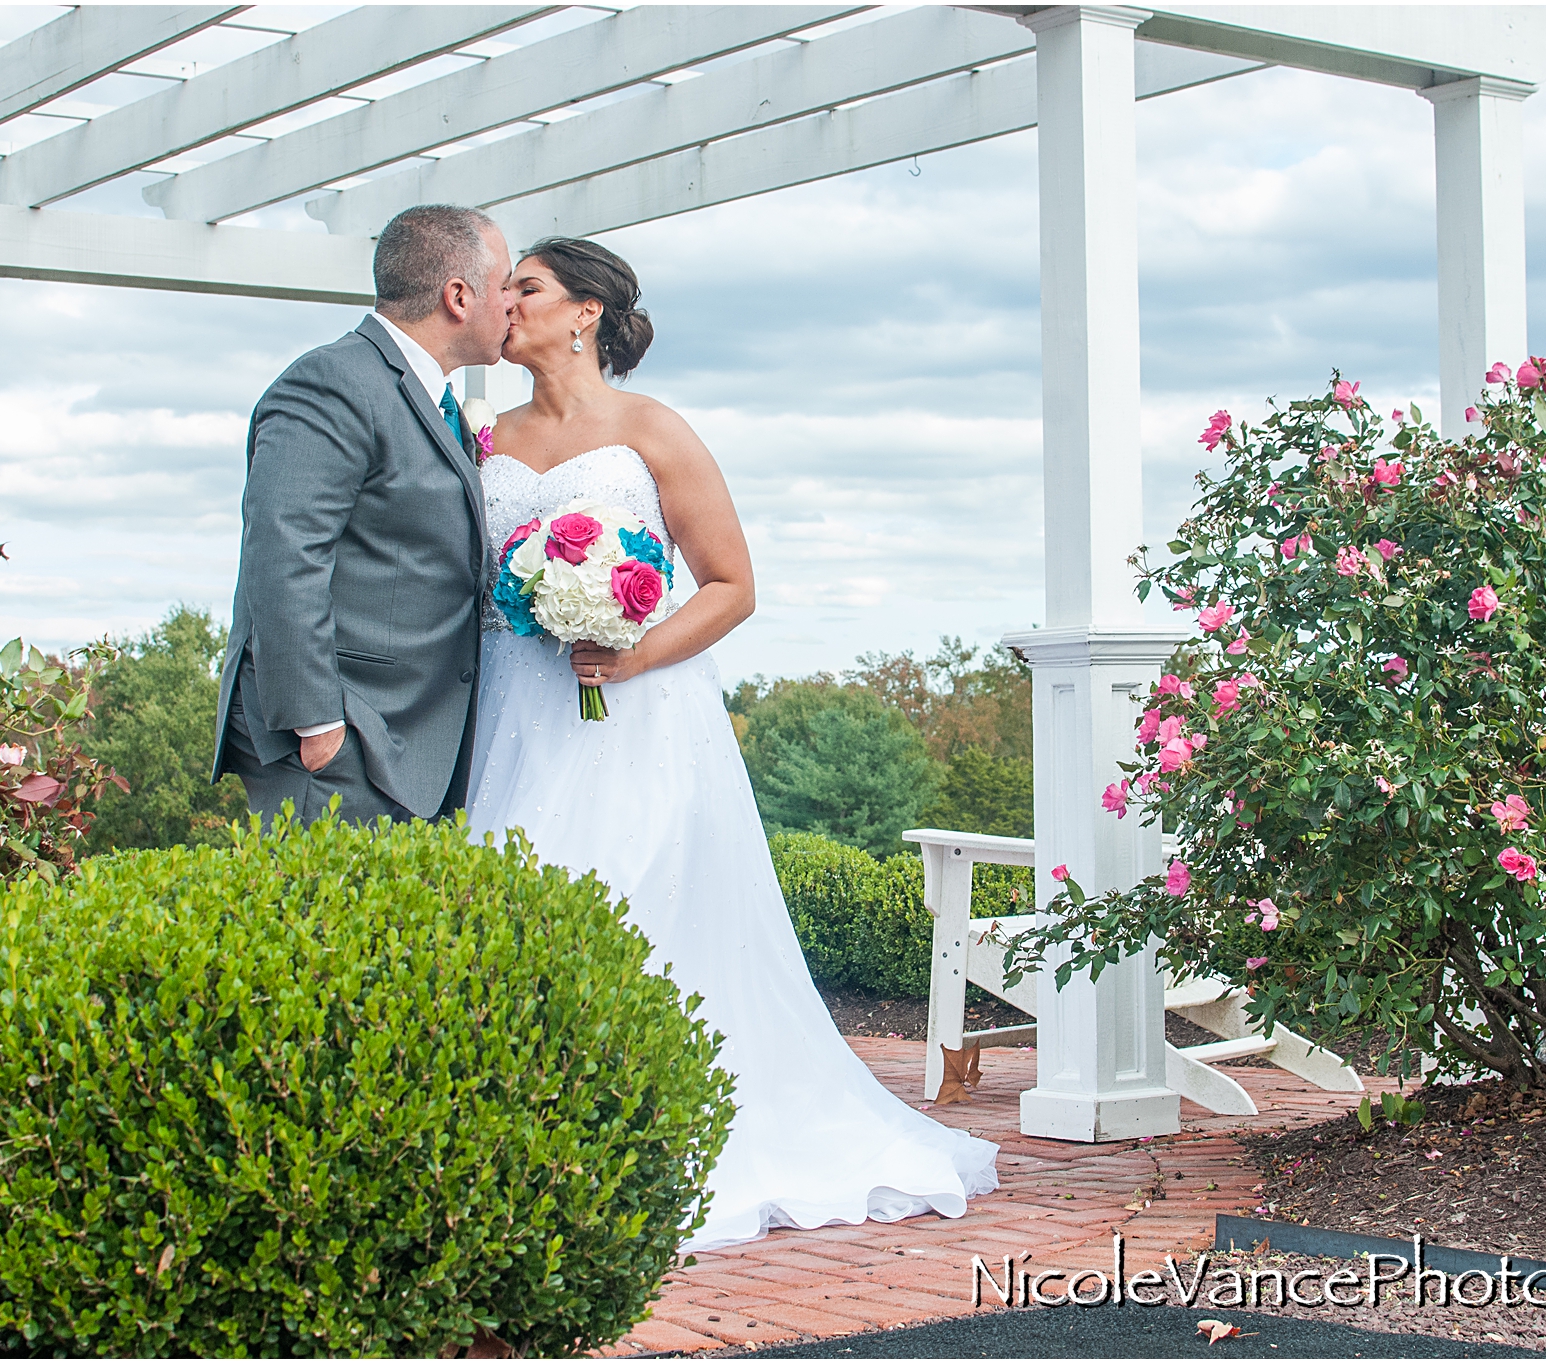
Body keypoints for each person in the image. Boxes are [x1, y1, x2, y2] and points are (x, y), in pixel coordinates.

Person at [465, 236, 998, 1250]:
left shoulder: (650, 430)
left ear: (582, 311)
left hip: (632, 712)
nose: (503, 303)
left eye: (523, 287)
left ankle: (646, 1140)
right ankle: (540, 1143)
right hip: (508, 707)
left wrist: (629, 652)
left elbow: (731, 585)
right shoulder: (480, 437)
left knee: (626, 903)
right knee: (513, 907)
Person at [212, 205, 511, 825]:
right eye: (504, 284)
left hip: (408, 736)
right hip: (342, 738)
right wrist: (319, 725)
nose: (511, 302)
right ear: (459, 296)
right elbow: (283, 551)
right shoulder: (333, 382)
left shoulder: (438, 399)